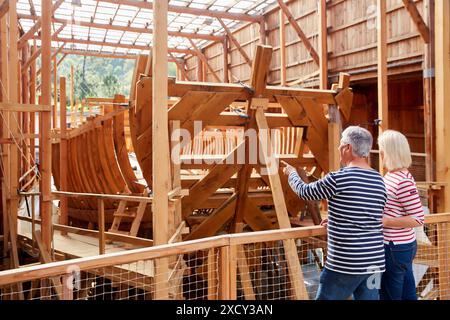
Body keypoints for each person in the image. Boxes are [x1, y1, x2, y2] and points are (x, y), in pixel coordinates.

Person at [282, 126, 387, 300]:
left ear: (347, 148)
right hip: (374, 261)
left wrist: (292, 174)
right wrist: (337, 222)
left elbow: (306, 192)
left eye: (340, 145)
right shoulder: (379, 180)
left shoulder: (339, 178)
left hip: (345, 262)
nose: (338, 149)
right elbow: (370, 215)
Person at [378, 130, 424, 300]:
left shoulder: (403, 181)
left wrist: (385, 221)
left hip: (395, 247)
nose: (380, 153)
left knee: (390, 295)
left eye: (381, 150)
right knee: (406, 293)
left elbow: (418, 218)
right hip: (397, 246)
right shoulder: (391, 175)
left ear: (389, 152)